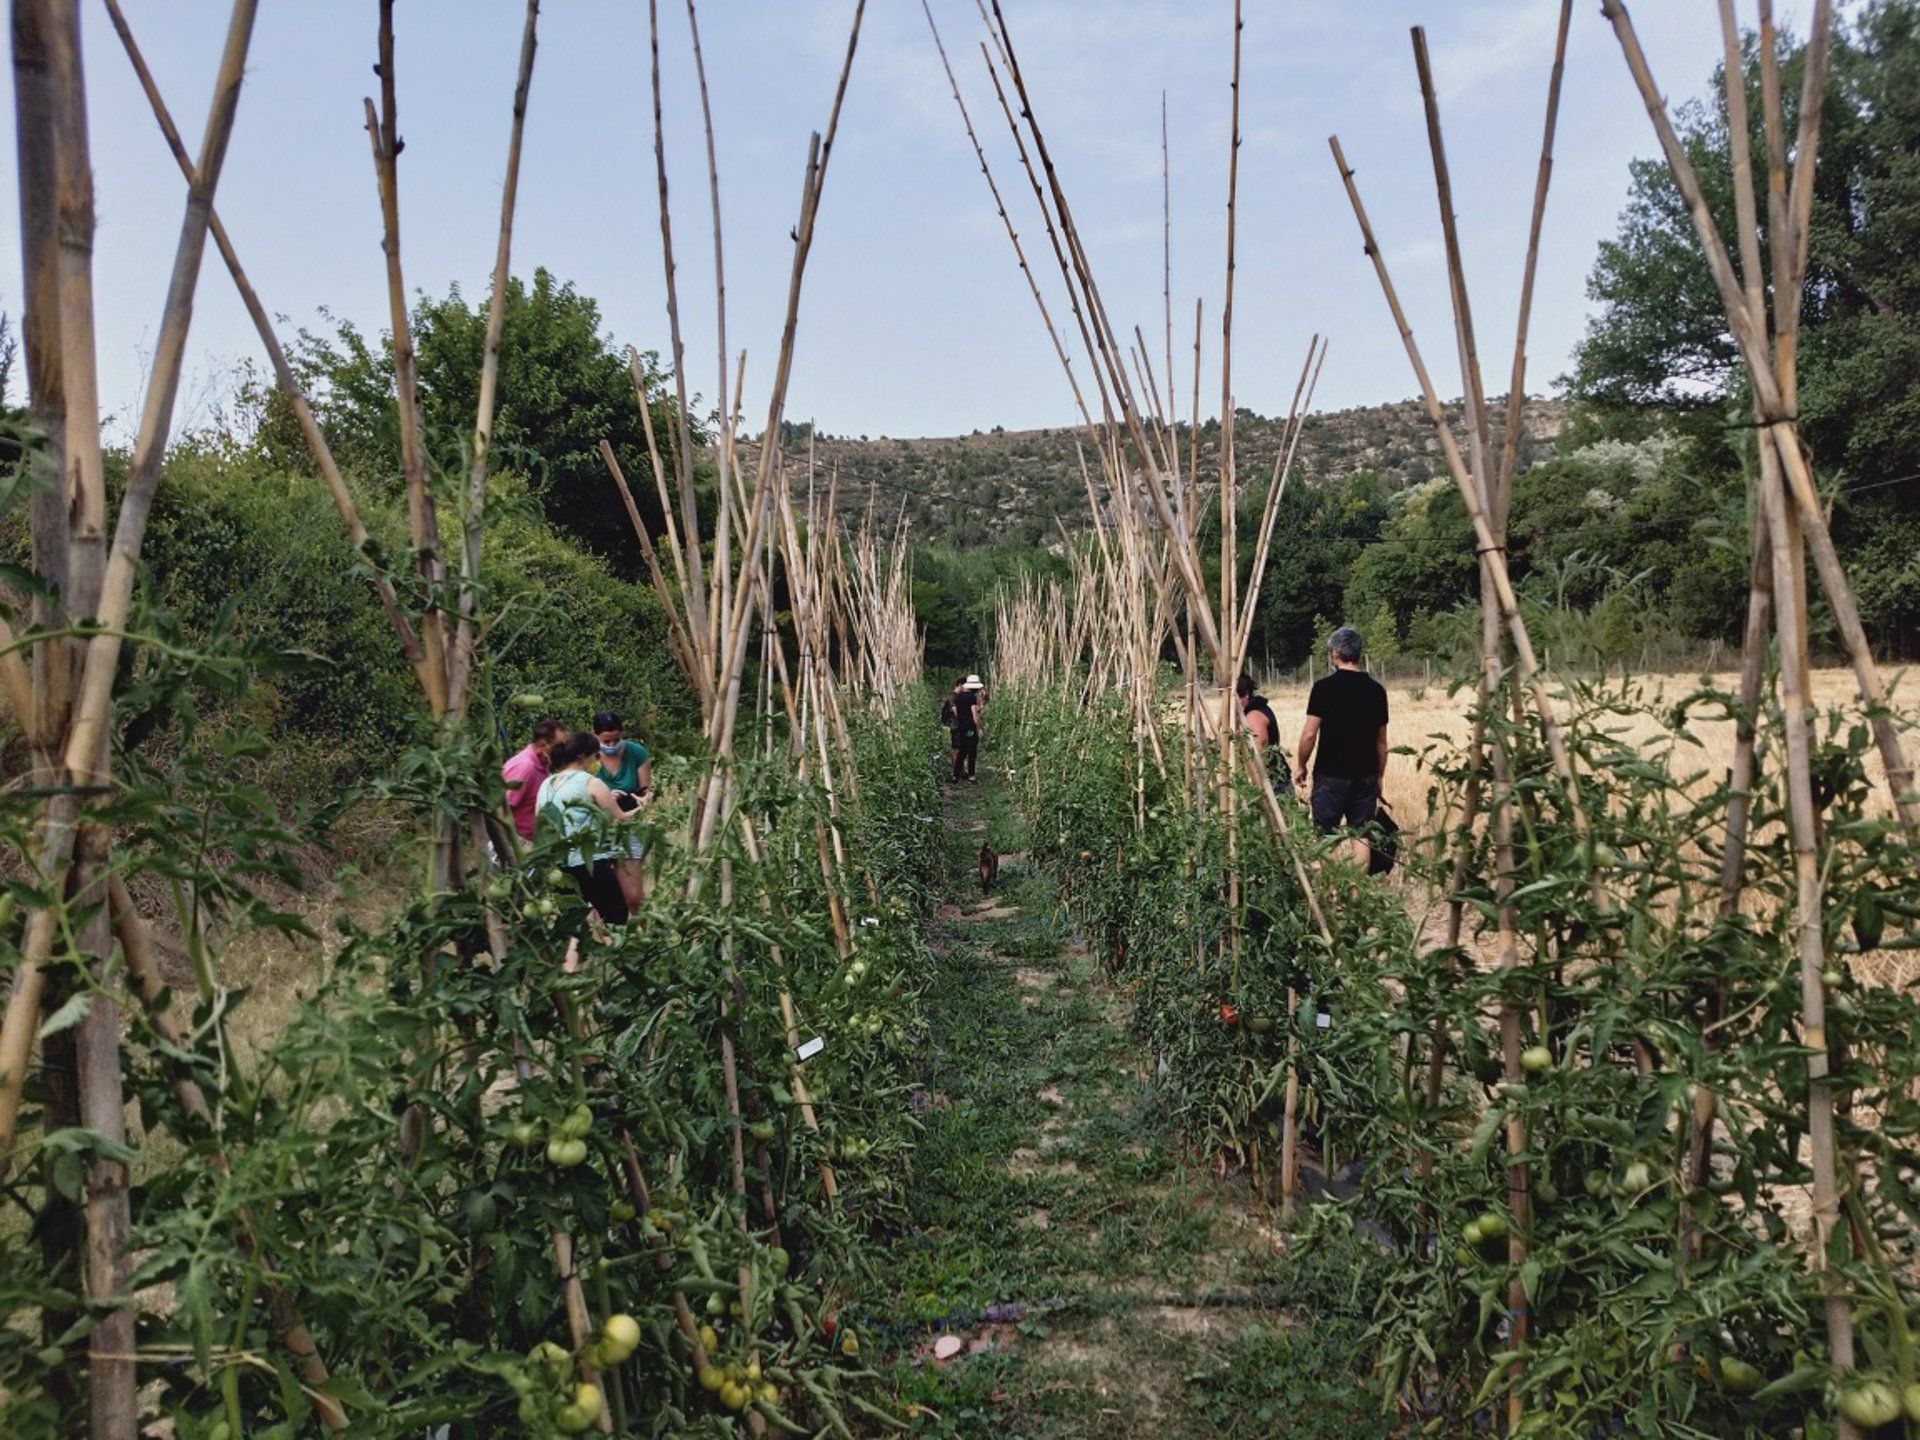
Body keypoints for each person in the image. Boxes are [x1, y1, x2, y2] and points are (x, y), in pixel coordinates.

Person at [1294, 627, 1389, 867]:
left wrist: (1301, 765)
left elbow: (1309, 734)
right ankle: (1358, 898)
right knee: (1362, 836)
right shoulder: (1377, 691)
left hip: (1331, 775)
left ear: (1336, 653)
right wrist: (1379, 776)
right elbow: (1381, 741)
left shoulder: (1324, 688)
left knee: (1326, 837)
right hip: (1365, 774)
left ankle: (1331, 893)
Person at [536, 732, 639, 925]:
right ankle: (614, 954)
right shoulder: (590, 782)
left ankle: (575, 955)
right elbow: (620, 819)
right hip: (590, 863)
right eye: (596, 756)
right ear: (583, 757)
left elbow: (540, 822)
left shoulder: (546, 784)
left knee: (572, 923)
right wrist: (642, 809)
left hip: (559, 867)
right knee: (615, 914)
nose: (597, 761)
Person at [590, 710, 653, 909]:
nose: (611, 746)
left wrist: (644, 799)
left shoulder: (636, 752)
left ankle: (639, 934)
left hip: (628, 825)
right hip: (596, 827)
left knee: (634, 896)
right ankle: (604, 936)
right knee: (599, 896)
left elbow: (645, 790)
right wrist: (605, 797)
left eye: (615, 740)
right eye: (605, 741)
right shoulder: (587, 757)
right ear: (595, 736)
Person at [502, 718, 568, 844]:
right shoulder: (525, 767)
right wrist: (517, 846)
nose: (562, 751)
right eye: (559, 746)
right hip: (516, 845)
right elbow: (501, 810)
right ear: (542, 745)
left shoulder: (542, 764)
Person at [944, 674, 983, 783]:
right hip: (969, 728)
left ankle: (955, 775)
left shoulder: (958, 697)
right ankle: (971, 775)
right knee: (972, 751)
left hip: (960, 726)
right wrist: (978, 727)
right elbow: (974, 714)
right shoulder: (971, 697)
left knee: (962, 751)